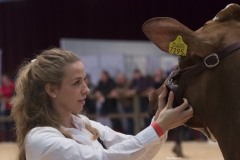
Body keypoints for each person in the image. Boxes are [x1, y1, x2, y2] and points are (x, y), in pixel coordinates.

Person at [11, 48, 193, 160]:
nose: (86, 89)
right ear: (52, 90)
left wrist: (160, 121)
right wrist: (158, 128)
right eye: (76, 82)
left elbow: (139, 153)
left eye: (84, 80)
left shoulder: (84, 124)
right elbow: (104, 159)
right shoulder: (41, 139)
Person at [0, 73, 15, 141]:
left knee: (13, 124)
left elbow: (13, 97)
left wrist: (6, 98)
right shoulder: (2, 87)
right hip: (6, 108)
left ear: (7, 78)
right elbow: (2, 98)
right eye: (2, 79)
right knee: (5, 125)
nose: (3, 80)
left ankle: (14, 140)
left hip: (13, 108)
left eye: (4, 78)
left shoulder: (13, 85)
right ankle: (6, 140)